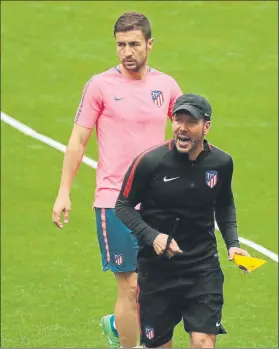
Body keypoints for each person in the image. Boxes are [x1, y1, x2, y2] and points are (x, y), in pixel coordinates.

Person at [52, 11, 182, 348]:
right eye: (121, 45)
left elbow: (187, 131)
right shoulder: (100, 86)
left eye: (134, 44)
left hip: (158, 202)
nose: (127, 51)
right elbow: (78, 141)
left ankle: (119, 325)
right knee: (129, 284)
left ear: (149, 45)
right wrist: (63, 193)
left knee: (157, 285)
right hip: (115, 202)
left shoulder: (165, 86)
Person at [115, 93, 250, 348]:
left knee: (203, 343)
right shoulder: (149, 162)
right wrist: (153, 236)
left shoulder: (221, 163)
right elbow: (123, 206)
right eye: (178, 120)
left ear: (206, 126)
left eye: (191, 122)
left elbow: (224, 203)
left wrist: (232, 243)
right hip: (157, 272)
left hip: (202, 269)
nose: (182, 128)